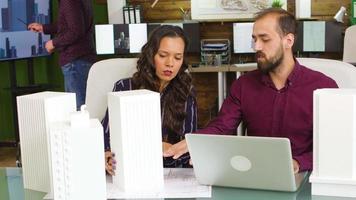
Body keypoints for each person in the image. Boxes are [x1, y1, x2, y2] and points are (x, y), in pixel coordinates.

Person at [163, 8, 338, 173]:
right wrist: (196, 141)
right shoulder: (243, 85)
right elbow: (222, 126)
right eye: (254, 39)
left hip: (305, 176)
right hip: (255, 175)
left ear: (288, 41)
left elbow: (336, 147)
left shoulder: (323, 87)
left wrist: (298, 163)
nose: (256, 47)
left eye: (265, 39)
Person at [102, 25, 197, 175]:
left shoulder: (186, 92)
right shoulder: (124, 87)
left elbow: (188, 148)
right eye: (163, 55)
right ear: (151, 54)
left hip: (170, 175)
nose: (170, 63)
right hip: (129, 172)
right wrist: (108, 156)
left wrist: (142, 148)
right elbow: (106, 137)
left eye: (177, 57)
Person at [28, 0, 96, 110]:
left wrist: (53, 43)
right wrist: (43, 28)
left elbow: (75, 31)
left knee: (79, 111)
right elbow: (68, 25)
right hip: (81, 59)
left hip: (75, 62)